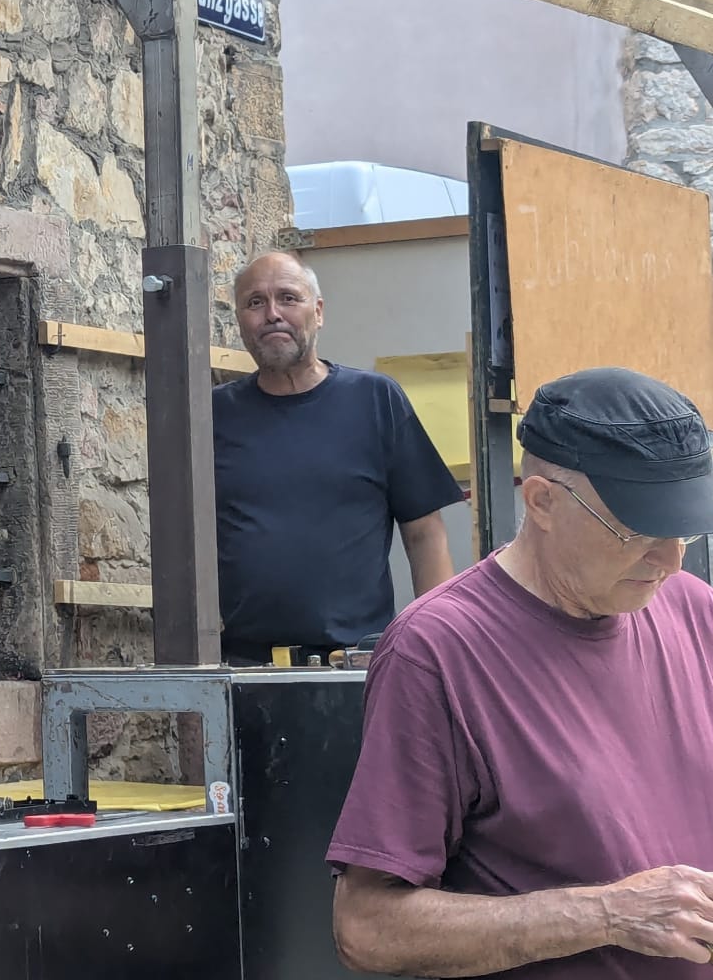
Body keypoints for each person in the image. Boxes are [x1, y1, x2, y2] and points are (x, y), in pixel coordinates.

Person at [330, 368, 713, 978]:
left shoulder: (693, 609)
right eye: (638, 530)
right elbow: (368, 927)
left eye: (683, 529)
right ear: (542, 503)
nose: (669, 561)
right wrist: (608, 915)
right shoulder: (438, 651)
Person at [213, 250, 462, 665]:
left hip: (356, 665)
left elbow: (424, 533)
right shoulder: (213, 416)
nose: (272, 314)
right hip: (243, 668)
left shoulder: (375, 400)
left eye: (288, 298)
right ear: (239, 320)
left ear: (319, 312)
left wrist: (439, 648)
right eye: (255, 302)